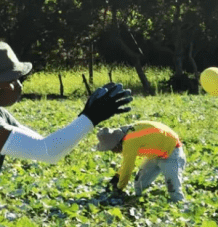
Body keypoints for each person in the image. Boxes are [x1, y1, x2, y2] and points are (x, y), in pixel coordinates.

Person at [0, 41, 132, 171]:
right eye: (11, 79)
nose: (18, 84)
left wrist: (86, 115)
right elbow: (46, 151)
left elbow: (46, 144)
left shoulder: (2, 114)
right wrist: (92, 116)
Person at [96, 121, 186, 202]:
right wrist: (117, 177)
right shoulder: (126, 135)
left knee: (173, 188)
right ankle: (139, 202)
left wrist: (119, 188)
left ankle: (180, 206)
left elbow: (128, 167)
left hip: (171, 150)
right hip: (155, 153)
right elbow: (125, 163)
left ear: (115, 144)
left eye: (111, 149)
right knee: (139, 185)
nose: (113, 152)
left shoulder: (129, 141)